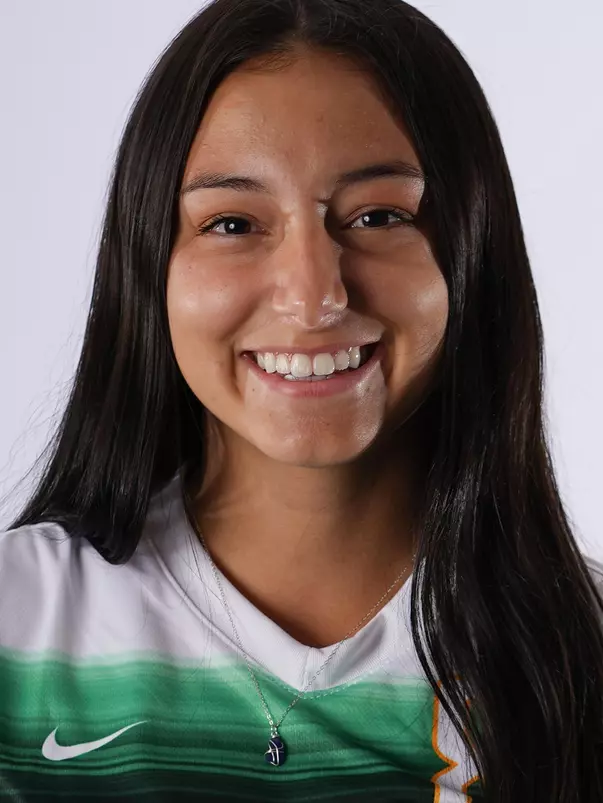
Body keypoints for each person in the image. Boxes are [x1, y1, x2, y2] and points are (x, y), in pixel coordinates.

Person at [0, 0, 601, 800]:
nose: (313, 294)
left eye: (379, 214)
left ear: (471, 257)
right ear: (148, 269)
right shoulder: (17, 629)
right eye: (233, 223)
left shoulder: (581, 656)